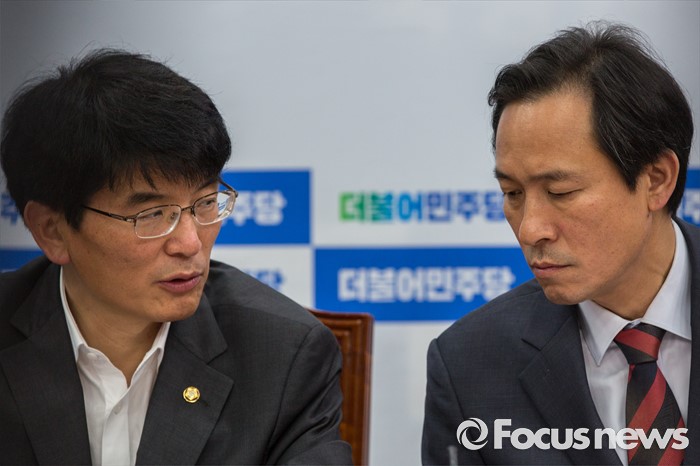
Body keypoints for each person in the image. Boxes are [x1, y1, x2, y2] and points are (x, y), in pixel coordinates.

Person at [0, 49, 351, 465]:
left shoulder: (282, 356)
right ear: (52, 230)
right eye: (152, 214)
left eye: (205, 203)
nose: (189, 243)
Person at [422, 22, 698, 465]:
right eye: (512, 193)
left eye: (561, 192)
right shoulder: (469, 364)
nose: (530, 229)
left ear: (656, 179)